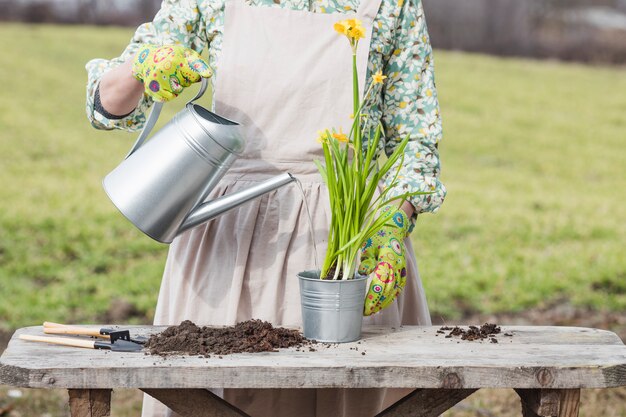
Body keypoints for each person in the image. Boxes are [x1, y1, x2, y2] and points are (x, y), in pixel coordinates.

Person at [86, 0, 446, 415]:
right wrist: (141, 68)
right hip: (227, 245)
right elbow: (106, 107)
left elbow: (415, 142)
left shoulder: (393, 4)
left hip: (344, 250)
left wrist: (392, 225)